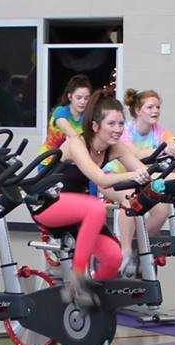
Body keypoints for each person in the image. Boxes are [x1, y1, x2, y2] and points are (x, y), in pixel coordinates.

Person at [37, 95, 149, 308]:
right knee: (96, 207)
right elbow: (101, 179)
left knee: (113, 257)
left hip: (82, 211)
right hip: (47, 202)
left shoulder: (116, 148)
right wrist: (132, 177)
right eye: (111, 124)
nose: (117, 129)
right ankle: (77, 279)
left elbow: (146, 173)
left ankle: (91, 301)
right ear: (96, 125)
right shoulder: (77, 144)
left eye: (120, 123)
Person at [117, 89, 175, 267]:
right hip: (118, 176)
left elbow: (173, 145)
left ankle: (139, 243)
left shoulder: (160, 131)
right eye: (150, 107)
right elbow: (135, 155)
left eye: (158, 107)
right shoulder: (126, 130)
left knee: (162, 210)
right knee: (130, 199)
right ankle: (126, 250)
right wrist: (164, 149)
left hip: (143, 179)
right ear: (137, 110)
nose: (156, 111)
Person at [44, 74, 93, 150]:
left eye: (86, 98)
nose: (83, 102)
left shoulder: (87, 115)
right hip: (49, 159)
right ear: (70, 96)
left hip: (73, 159)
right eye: (78, 98)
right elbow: (72, 134)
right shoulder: (60, 111)